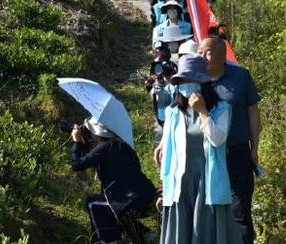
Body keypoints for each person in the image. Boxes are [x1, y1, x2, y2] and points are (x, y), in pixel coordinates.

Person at [156, 54, 242, 244]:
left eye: (192, 79)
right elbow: (169, 149)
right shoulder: (173, 112)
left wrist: (202, 112)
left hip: (207, 180)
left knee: (207, 232)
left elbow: (218, 140)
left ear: (203, 82)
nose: (187, 84)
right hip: (181, 181)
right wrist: (163, 187)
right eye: (183, 80)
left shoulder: (221, 109)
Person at [199, 36, 261, 244]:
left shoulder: (240, 76)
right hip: (206, 158)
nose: (201, 56)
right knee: (210, 213)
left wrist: (255, 147)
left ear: (221, 54)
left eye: (206, 52)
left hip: (237, 154)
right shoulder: (195, 80)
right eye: (199, 52)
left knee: (240, 211)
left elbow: (252, 111)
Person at [70, 117, 156, 244]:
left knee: (93, 203)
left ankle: (107, 240)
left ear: (97, 132)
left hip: (129, 200)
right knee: (107, 205)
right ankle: (144, 233)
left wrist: (76, 141)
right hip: (146, 194)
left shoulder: (104, 148)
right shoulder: (123, 145)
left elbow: (77, 164)